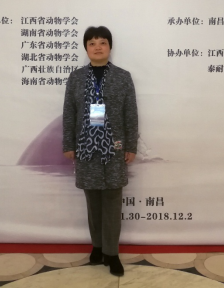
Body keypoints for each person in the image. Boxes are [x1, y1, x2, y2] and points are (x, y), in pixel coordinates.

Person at [62, 26, 138, 277]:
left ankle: (112, 253)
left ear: (110, 47)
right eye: (92, 43)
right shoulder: (76, 78)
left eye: (102, 42)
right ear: (86, 48)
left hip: (114, 147)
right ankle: (97, 247)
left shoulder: (123, 77)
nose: (97, 47)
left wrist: (131, 146)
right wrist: (69, 144)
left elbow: (130, 114)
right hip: (86, 147)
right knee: (92, 200)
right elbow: (69, 112)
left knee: (113, 201)